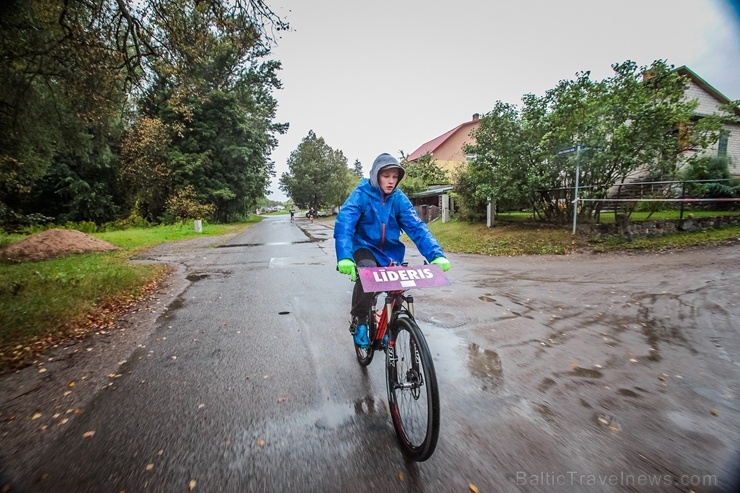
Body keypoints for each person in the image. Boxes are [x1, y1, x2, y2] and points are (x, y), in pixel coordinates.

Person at [334, 152, 451, 348]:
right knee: (367, 272)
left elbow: (416, 227)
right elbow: (345, 223)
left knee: (399, 286)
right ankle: (360, 320)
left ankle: (392, 326)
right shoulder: (361, 194)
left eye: (395, 177)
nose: (391, 181)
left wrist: (436, 255)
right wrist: (344, 257)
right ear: (376, 176)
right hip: (363, 246)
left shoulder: (398, 198)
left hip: (390, 251)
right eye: (386, 176)